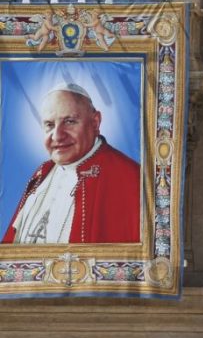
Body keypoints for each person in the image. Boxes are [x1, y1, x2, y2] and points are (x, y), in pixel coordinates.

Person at [2, 83, 140, 244]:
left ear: (95, 123)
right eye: (50, 125)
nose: (57, 136)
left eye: (69, 121)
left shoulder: (130, 177)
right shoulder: (42, 172)